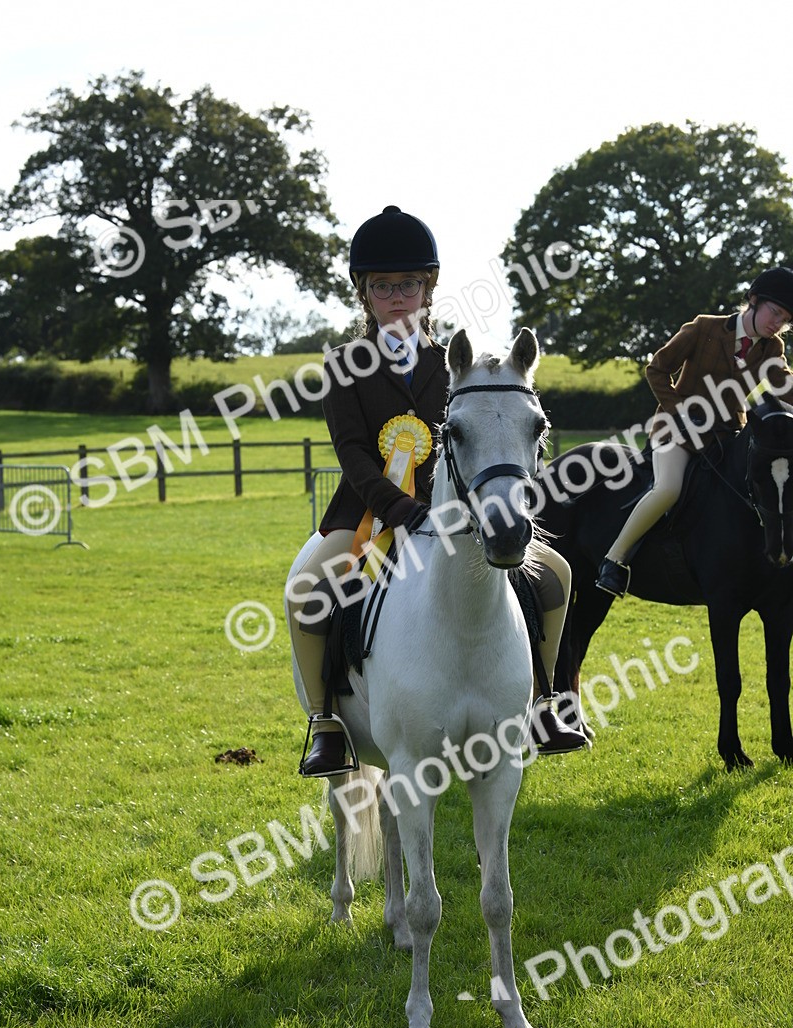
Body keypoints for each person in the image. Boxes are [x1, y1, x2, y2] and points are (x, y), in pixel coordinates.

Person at [286, 205, 586, 776]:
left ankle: (547, 700)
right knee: (307, 588)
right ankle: (325, 722)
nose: (397, 298)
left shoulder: (455, 362)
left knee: (556, 575)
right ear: (364, 293)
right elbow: (350, 451)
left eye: (409, 285)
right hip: (368, 513)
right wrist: (397, 509)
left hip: (456, 512)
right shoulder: (342, 365)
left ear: (429, 288)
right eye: (383, 287)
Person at [596, 266, 793, 598]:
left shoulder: (771, 349)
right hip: (677, 431)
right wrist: (680, 409)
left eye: (786, 319)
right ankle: (614, 561)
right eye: (775, 312)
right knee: (668, 489)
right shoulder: (705, 328)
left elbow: (786, 388)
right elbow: (657, 369)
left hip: (727, 435)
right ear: (754, 301)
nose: (778, 323)